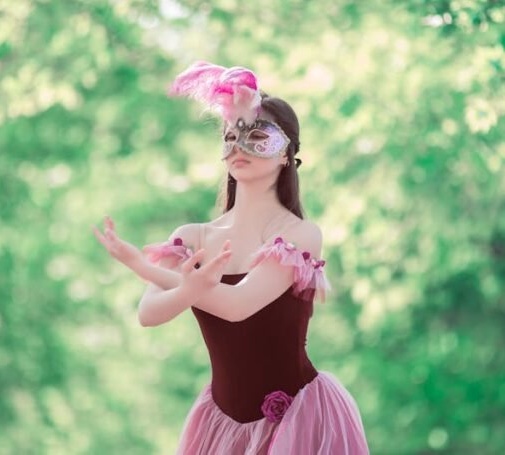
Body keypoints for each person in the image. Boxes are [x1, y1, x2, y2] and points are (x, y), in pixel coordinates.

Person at [93, 61, 369, 454]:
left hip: (298, 422)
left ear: (286, 154)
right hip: (221, 427)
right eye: (230, 135)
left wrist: (153, 271)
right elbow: (150, 313)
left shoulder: (298, 236)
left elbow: (237, 306)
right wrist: (179, 282)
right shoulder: (193, 238)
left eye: (256, 135)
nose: (239, 146)